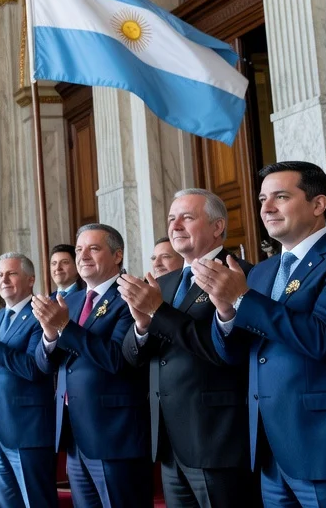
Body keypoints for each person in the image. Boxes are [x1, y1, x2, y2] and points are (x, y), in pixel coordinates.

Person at [203, 162, 326, 506]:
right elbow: (235, 353)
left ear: (318, 204)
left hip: (324, 447)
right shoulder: (261, 271)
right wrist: (225, 311)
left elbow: (322, 338)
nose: (266, 208)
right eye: (263, 199)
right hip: (269, 450)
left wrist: (241, 298)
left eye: (280, 197)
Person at [118, 190, 259, 508]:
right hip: (169, 442)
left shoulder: (239, 274)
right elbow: (132, 355)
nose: (175, 225)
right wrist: (142, 325)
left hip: (216, 439)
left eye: (187, 217)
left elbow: (224, 351)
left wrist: (159, 314)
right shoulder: (163, 283)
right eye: (171, 219)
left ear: (217, 226)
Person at [33, 224, 151, 508]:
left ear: (117, 255)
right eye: (79, 250)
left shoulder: (131, 295)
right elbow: (44, 363)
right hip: (76, 437)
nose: (83, 256)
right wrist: (50, 335)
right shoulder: (69, 301)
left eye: (93, 249)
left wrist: (63, 327)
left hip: (115, 436)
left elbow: (118, 359)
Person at [0, 253, 57, 508]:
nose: (4, 279)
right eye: (0, 275)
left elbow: (34, 368)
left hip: (28, 430)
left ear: (30, 279)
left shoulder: (41, 313)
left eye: (11, 273)